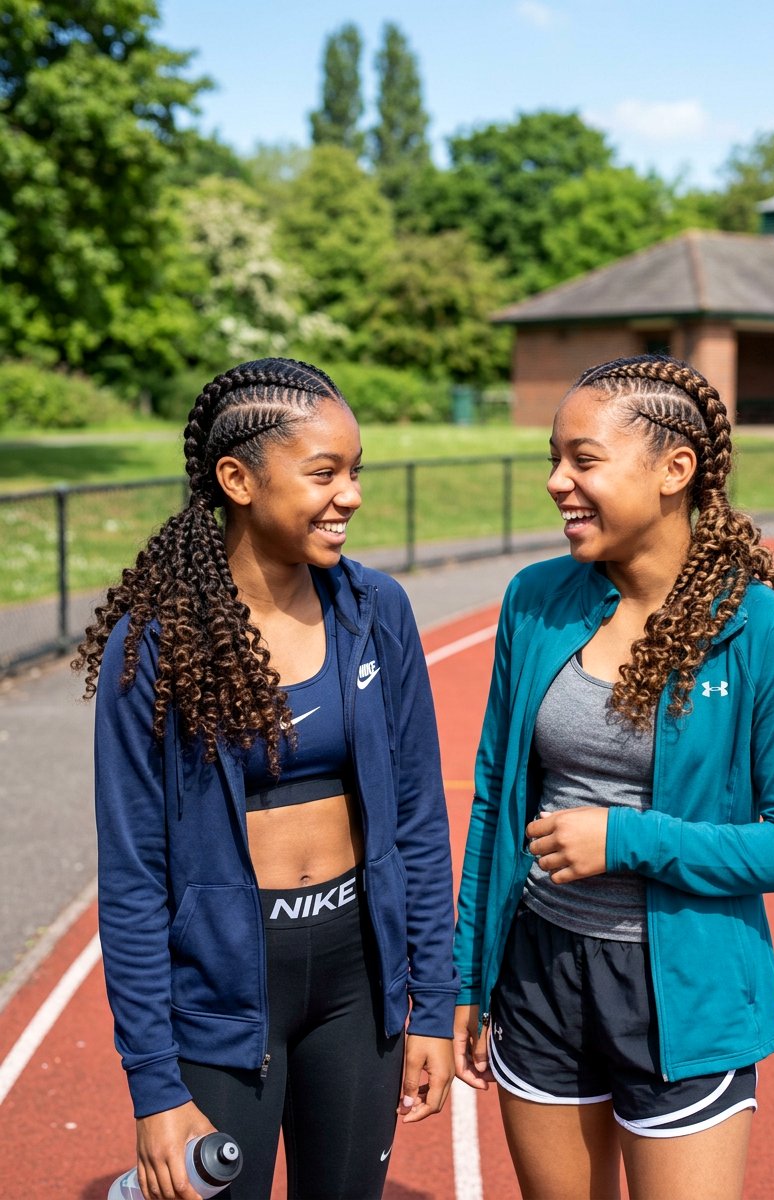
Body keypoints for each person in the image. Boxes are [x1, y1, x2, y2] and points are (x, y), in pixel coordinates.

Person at [452, 354, 774, 1200]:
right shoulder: (534, 600)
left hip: (684, 997)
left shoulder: (761, 630)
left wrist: (626, 839)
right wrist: (469, 975)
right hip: (540, 974)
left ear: (675, 469)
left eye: (583, 460)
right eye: (554, 459)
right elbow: (493, 802)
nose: (557, 481)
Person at [75, 358, 458, 1200]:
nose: (350, 494)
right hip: (221, 995)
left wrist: (432, 1002)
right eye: (324, 473)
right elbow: (133, 873)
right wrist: (154, 1086)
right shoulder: (155, 643)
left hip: (358, 982)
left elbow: (420, 820)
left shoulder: (376, 611)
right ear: (238, 479)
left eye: (356, 471)